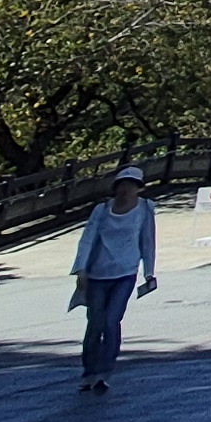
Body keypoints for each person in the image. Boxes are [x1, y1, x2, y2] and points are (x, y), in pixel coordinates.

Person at [67, 168, 159, 393]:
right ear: (116, 187)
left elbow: (147, 241)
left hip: (125, 274)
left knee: (111, 321)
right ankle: (89, 373)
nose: (126, 190)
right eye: (122, 185)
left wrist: (149, 272)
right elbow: (87, 239)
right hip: (97, 274)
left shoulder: (144, 209)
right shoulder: (102, 210)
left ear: (139, 188)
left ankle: (104, 372)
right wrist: (81, 269)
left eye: (132, 185)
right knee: (95, 324)